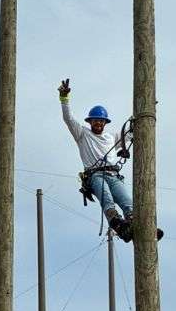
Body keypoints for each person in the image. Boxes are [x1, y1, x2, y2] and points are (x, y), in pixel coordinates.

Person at [58, 78, 163, 242]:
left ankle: (143, 227)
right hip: (95, 176)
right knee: (106, 198)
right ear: (90, 121)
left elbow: (130, 134)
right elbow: (69, 119)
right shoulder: (82, 135)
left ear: (105, 123)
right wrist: (64, 99)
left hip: (113, 176)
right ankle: (118, 224)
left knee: (128, 202)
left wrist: (147, 110)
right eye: (95, 120)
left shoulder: (111, 137)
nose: (98, 123)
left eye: (101, 120)